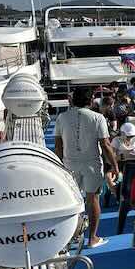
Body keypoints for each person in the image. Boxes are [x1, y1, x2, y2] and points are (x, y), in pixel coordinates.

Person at [54, 87, 119, 248]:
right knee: (93, 199)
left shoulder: (62, 118)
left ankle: (69, 238)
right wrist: (115, 166)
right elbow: (105, 145)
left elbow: (58, 145)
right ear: (90, 101)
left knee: (71, 201)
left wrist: (60, 164)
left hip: (69, 164)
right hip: (92, 164)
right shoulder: (98, 118)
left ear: (72, 100)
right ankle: (92, 238)